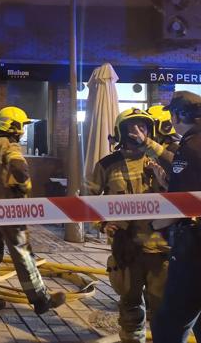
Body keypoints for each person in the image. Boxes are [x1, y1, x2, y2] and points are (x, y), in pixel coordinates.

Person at [0, 106, 66, 315]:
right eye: (21, 125)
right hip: (8, 209)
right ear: (13, 126)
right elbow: (21, 172)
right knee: (22, 252)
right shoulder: (10, 146)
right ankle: (40, 299)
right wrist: (24, 189)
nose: (22, 129)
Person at [87, 108, 169, 343]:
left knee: (162, 307)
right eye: (131, 128)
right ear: (120, 132)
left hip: (159, 247)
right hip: (127, 249)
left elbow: (183, 189)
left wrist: (162, 176)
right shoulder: (107, 165)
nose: (137, 132)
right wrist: (102, 224)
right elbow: (87, 200)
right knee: (130, 305)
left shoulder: (160, 161)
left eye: (142, 127)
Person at [147, 91, 201, 343]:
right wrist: (170, 184)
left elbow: (183, 205)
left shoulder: (189, 148)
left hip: (194, 252)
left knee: (170, 323)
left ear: (179, 115)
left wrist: (156, 221)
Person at [146, 105, 180, 174]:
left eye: (149, 126)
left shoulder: (175, 148)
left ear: (164, 125)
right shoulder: (160, 144)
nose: (146, 130)